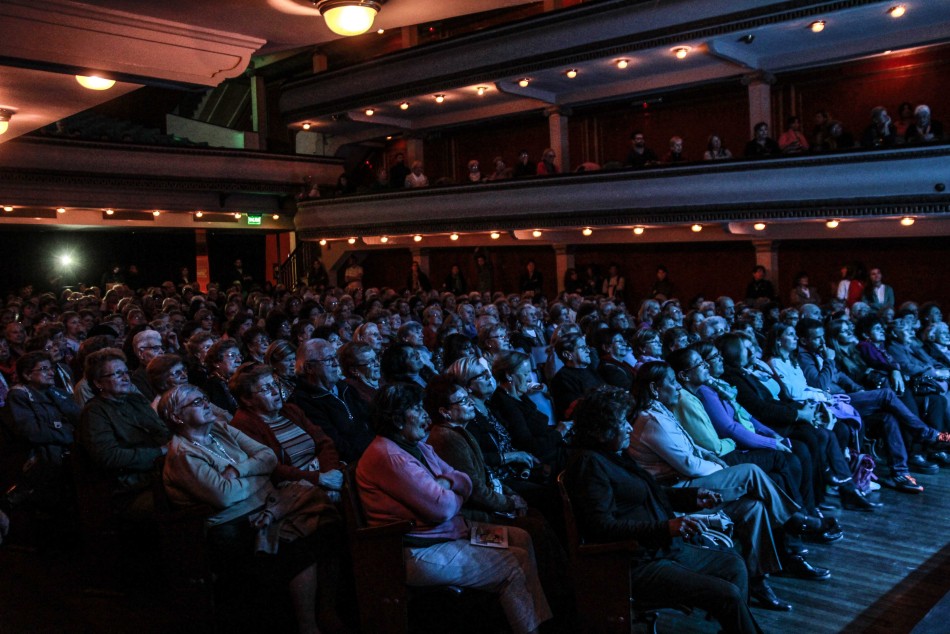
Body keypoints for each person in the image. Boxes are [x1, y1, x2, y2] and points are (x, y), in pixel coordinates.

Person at [629, 362, 830, 609]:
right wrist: (722, 468)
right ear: (654, 388)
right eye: (672, 382)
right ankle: (794, 519)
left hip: (688, 481)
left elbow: (689, 446)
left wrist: (709, 456)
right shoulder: (650, 421)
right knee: (750, 471)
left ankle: (758, 580)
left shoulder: (660, 411)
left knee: (754, 508)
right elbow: (689, 465)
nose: (678, 387)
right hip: (677, 492)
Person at [356, 383, 553, 634]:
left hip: (453, 533)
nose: (425, 414)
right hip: (422, 550)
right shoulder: (390, 456)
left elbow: (464, 480)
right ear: (396, 419)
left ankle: (536, 623)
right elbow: (443, 508)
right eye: (416, 408)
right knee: (512, 563)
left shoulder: (418, 446)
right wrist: (453, 492)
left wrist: (448, 484)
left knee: (520, 537)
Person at [564, 385, 762, 633]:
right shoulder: (589, 464)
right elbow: (601, 527)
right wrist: (665, 528)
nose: (629, 428)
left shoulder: (612, 455)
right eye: (622, 423)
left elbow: (649, 492)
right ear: (600, 430)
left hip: (659, 549)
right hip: (634, 562)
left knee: (734, 565)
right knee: (727, 594)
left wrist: (693, 497)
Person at [158, 384, 337, 634]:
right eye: (196, 403)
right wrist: (259, 476)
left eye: (204, 398)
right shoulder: (183, 454)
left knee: (328, 526)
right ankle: (308, 625)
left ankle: (326, 613)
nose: (206, 404)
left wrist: (239, 471)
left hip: (268, 506)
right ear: (177, 416)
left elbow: (268, 457)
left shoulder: (220, 429)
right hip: (232, 525)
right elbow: (225, 496)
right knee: (299, 546)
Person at [78, 348, 171, 518]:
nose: (125, 377)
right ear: (98, 383)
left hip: (163, 472)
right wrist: (159, 452)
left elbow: (163, 432)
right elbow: (109, 456)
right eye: (117, 374)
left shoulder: (135, 400)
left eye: (126, 372)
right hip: (131, 487)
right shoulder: (95, 412)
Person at [229, 364, 343, 497]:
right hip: (294, 489)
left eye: (274, 384)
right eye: (266, 389)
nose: (275, 391)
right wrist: (318, 479)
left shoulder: (291, 410)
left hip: (325, 475)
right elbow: (272, 469)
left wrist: (331, 475)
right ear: (247, 399)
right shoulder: (243, 425)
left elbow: (324, 442)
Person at [1, 351, 79, 509]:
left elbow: (79, 418)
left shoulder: (57, 392)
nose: (51, 373)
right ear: (27, 375)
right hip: (44, 463)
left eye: (51, 368)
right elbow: (33, 431)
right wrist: (68, 433)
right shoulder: (19, 395)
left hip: (68, 456)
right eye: (44, 369)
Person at [291, 338, 374, 463]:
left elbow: (370, 417)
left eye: (336, 357)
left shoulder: (345, 387)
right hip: (353, 461)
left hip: (372, 450)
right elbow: (336, 444)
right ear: (309, 368)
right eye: (329, 359)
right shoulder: (304, 401)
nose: (336, 363)